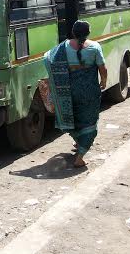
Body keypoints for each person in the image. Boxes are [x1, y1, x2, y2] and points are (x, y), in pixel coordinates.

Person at [44, 20, 108, 168]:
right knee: (89, 121)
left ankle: (78, 141)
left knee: (74, 117)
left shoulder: (64, 47)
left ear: (73, 32)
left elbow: (47, 58)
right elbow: (103, 68)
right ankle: (80, 156)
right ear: (88, 33)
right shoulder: (95, 47)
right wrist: (104, 81)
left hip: (69, 91)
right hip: (90, 92)